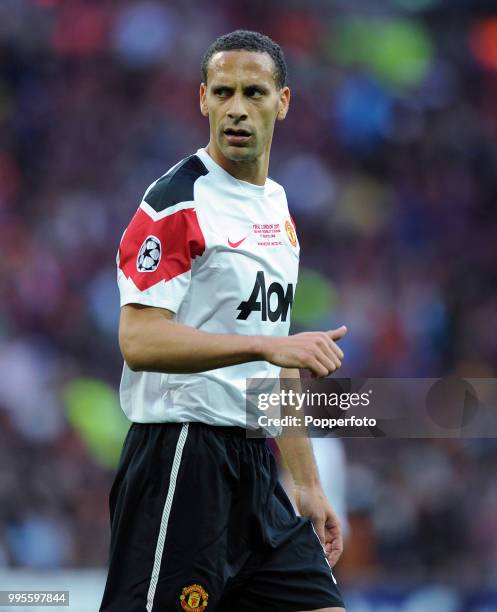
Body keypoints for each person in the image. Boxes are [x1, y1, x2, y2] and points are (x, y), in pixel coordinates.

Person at [100, 30, 347, 612]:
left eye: (255, 93)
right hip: (182, 458)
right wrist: (267, 347)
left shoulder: (277, 207)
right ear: (203, 99)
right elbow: (138, 339)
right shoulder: (175, 202)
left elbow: (276, 360)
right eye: (224, 91)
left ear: (283, 102)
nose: (238, 107)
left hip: (253, 469)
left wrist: (308, 486)